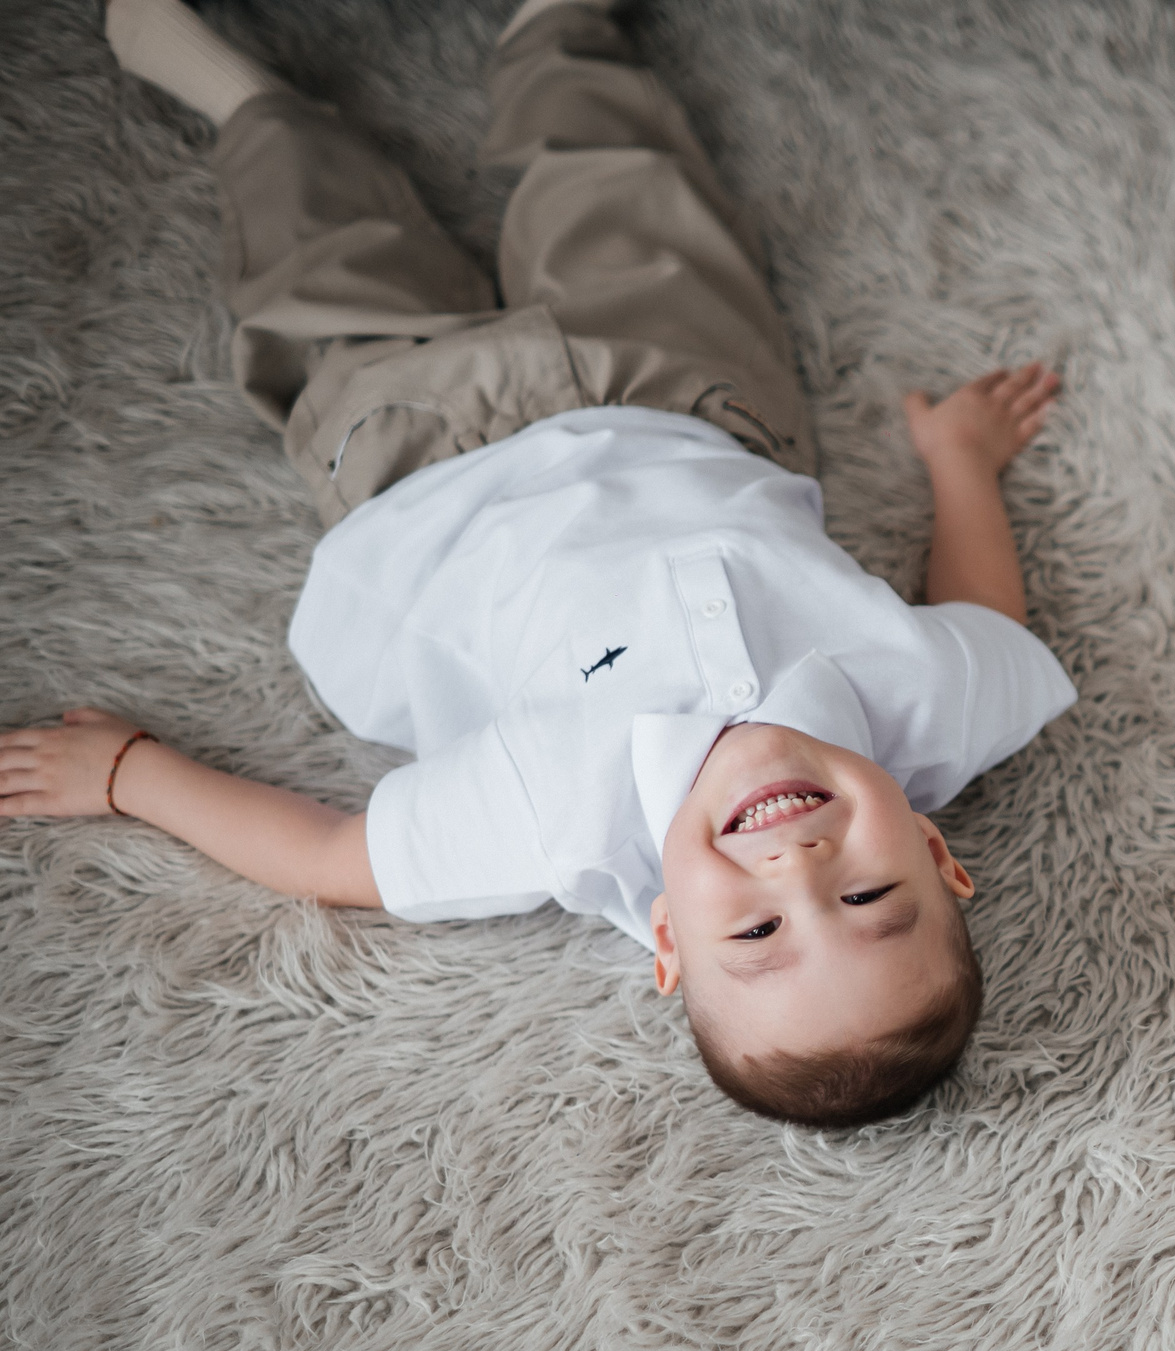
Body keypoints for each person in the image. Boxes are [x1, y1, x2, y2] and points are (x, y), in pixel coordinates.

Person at [0, 0, 1078, 1127]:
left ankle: (252, 111)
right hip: (682, 400)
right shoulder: (927, 707)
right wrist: (961, 464)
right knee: (631, 187)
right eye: (866, 892)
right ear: (938, 853)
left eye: (754, 929)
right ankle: (556, 33)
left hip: (423, 462)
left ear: (666, 932)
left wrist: (127, 775)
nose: (798, 864)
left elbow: (334, 855)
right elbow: (988, 619)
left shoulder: (561, 817)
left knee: (324, 266)